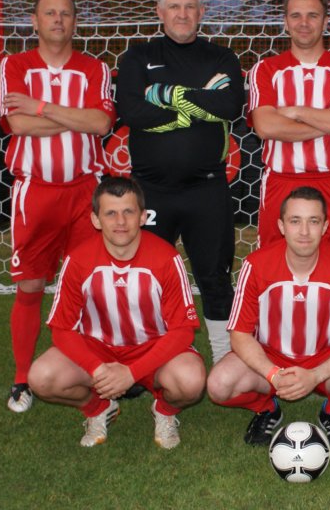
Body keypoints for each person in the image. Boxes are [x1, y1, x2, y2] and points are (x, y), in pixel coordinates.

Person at [115, 0, 245, 364]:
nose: (182, 14)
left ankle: (224, 363)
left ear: (202, 12)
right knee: (144, 278)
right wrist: (196, 105)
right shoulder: (137, 57)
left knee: (215, 278)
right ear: (160, 12)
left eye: (190, 7)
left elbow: (229, 106)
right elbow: (133, 111)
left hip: (207, 189)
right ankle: (144, 361)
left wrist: (164, 94)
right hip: (150, 191)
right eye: (174, 6)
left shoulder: (222, 58)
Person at [0, 0, 116, 413]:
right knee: (31, 284)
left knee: (91, 285)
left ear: (75, 22)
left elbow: (100, 123)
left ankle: (99, 368)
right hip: (36, 191)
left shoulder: (94, 68)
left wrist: (41, 107)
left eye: (65, 13)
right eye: (49, 13)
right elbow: (17, 124)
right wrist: (72, 117)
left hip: (86, 191)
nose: (58, 20)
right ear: (35, 21)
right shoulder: (15, 65)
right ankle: (21, 378)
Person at [27, 177, 207, 449]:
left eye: (128, 212)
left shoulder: (166, 258)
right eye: (110, 213)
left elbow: (183, 331)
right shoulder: (78, 259)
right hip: (98, 349)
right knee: (42, 377)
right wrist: (97, 368)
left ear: (143, 217)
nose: (120, 221)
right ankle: (99, 409)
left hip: (152, 350)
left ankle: (165, 411)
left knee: (191, 380)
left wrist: (131, 373)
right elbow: (62, 329)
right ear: (96, 220)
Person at [207, 187, 330, 448]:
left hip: (326, 357)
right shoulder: (255, 264)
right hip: (270, 356)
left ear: (325, 226)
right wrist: (273, 374)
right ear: (281, 226)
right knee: (219, 385)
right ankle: (267, 409)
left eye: (313, 221)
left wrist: (315, 375)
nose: (304, 231)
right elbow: (239, 334)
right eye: (295, 221)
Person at [247, 0, 330, 257]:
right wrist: (329, 118)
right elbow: (266, 127)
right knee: (274, 267)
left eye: (312, 15)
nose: (304, 23)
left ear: (325, 22)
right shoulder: (265, 70)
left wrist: (295, 111)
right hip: (280, 181)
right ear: (285, 23)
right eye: (296, 16)